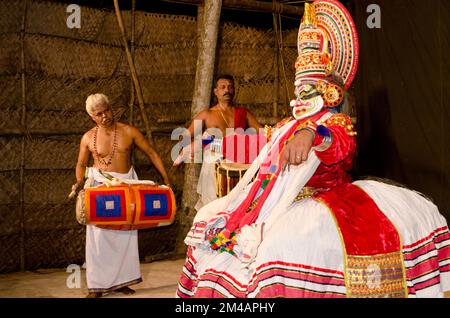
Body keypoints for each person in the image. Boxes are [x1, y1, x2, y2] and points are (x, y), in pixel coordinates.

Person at [176, 0, 450, 298]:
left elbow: (337, 145)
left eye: (307, 89)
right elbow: (255, 145)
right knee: (208, 214)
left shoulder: (336, 123)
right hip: (274, 201)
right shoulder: (286, 125)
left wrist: (311, 133)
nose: (300, 96)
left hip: (320, 202)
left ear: (328, 91)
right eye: (297, 89)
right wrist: (199, 146)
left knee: (277, 248)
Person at [73, 93, 170, 298]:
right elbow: (81, 164)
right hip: (100, 188)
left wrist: (166, 179)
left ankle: (122, 281)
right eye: (99, 114)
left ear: (111, 108)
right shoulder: (88, 137)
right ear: (92, 116)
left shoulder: (129, 131)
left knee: (125, 235)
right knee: (98, 238)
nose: (105, 116)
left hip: (127, 187)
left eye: (106, 110)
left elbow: (152, 153)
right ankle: (97, 286)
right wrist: (79, 182)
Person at [174, 74, 262, 210]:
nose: (227, 90)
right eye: (223, 87)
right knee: (213, 207)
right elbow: (185, 136)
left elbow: (261, 132)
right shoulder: (207, 114)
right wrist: (189, 148)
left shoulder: (243, 113)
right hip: (213, 168)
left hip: (237, 166)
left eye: (230, 87)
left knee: (235, 207)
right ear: (216, 91)